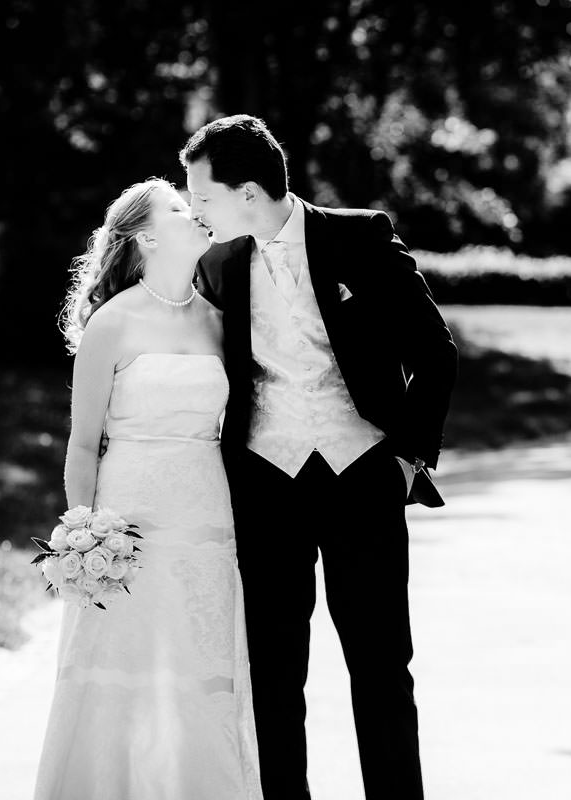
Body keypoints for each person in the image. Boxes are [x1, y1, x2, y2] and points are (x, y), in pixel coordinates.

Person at [179, 114, 457, 800]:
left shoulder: (359, 237)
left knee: (382, 666)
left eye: (202, 197)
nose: (194, 212)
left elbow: (435, 351)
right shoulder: (216, 266)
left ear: (248, 192)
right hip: (264, 483)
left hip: (362, 475)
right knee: (273, 671)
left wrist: (407, 458)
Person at [34, 179, 262, 798]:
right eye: (181, 209)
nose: (197, 214)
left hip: (206, 509)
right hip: (127, 513)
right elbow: (82, 446)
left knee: (200, 661)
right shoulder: (113, 322)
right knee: (120, 666)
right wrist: (83, 536)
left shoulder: (221, 324)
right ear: (147, 237)